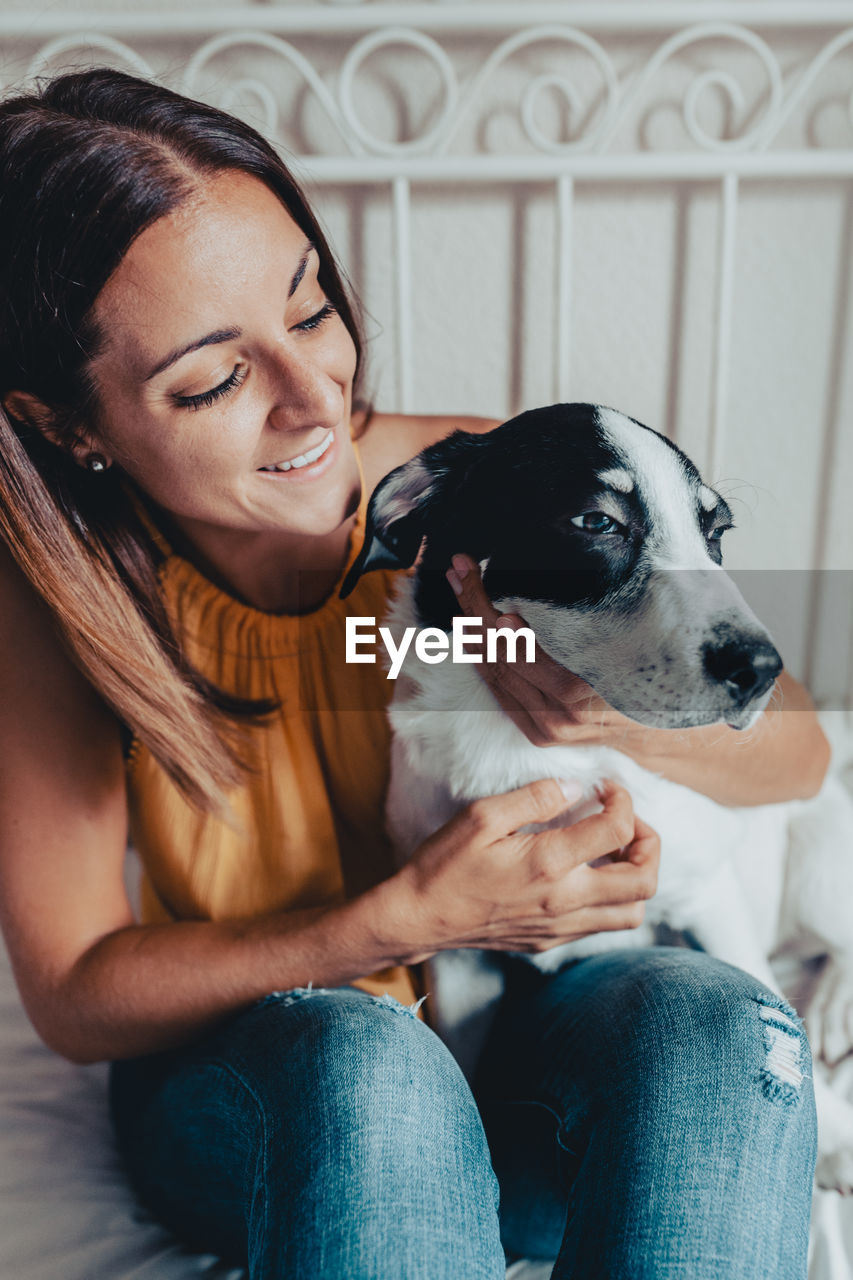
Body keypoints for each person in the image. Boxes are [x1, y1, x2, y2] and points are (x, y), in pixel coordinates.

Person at [0, 68, 827, 1280]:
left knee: (717, 1024)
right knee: (371, 1059)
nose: (312, 403)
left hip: (515, 1049)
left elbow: (799, 746)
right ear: (70, 424)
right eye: (213, 378)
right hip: (263, 1078)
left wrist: (602, 695)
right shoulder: (61, 607)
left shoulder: (479, 499)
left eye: (311, 307)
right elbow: (76, 990)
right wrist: (395, 924)